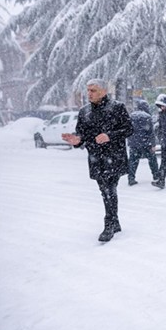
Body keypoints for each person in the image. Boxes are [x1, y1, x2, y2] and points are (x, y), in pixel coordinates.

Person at [62, 78, 133, 242]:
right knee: (106, 190)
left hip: (114, 156)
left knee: (108, 188)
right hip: (95, 158)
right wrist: (76, 140)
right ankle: (114, 222)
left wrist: (109, 136)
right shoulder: (84, 111)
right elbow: (82, 134)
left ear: (103, 91)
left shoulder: (117, 107)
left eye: (93, 90)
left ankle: (109, 224)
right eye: (88, 90)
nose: (89, 94)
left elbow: (129, 129)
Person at [127, 99, 159, 186]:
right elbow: (151, 132)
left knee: (133, 161)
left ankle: (131, 178)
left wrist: (129, 140)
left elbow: (127, 129)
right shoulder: (147, 116)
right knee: (152, 160)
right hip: (146, 143)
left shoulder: (131, 116)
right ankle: (156, 176)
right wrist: (153, 144)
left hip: (134, 143)